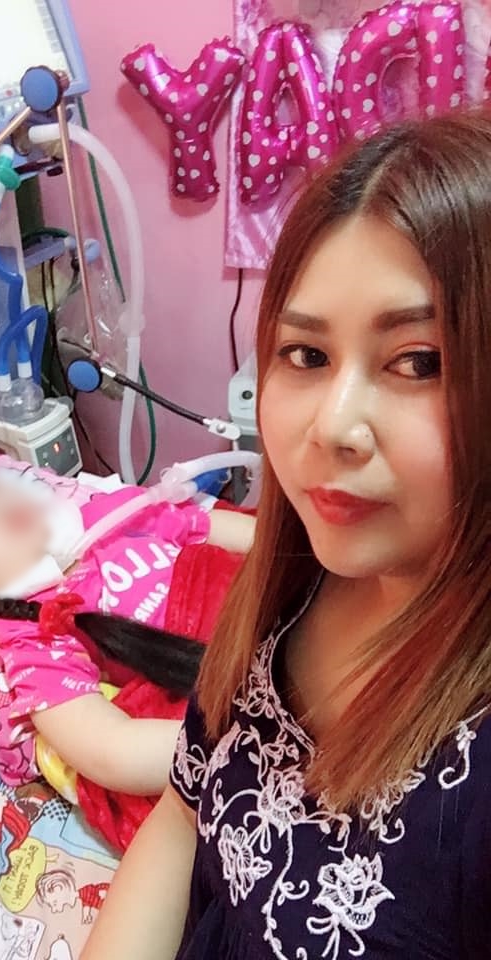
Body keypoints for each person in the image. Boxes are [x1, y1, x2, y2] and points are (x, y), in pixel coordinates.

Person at [80, 110, 491, 960]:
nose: (331, 427)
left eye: (419, 361)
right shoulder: (299, 580)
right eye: (306, 355)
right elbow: (185, 810)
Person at [0, 454, 255, 800]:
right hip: (244, 682)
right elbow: (110, 750)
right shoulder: (31, 629)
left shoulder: (111, 515)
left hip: (272, 602)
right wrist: (246, 743)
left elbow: (242, 536)